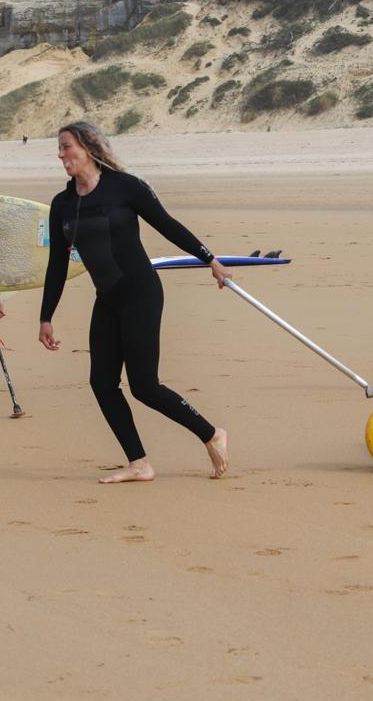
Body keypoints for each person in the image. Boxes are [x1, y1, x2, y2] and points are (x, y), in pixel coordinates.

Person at [38, 121, 231, 483]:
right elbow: (57, 263)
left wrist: (211, 260)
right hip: (107, 299)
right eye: (60, 148)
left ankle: (211, 434)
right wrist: (46, 316)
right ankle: (139, 463)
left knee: (144, 386)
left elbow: (167, 224)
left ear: (88, 147)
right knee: (102, 383)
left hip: (141, 293)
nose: (61, 155)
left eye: (67, 147)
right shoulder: (62, 204)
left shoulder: (125, 188)